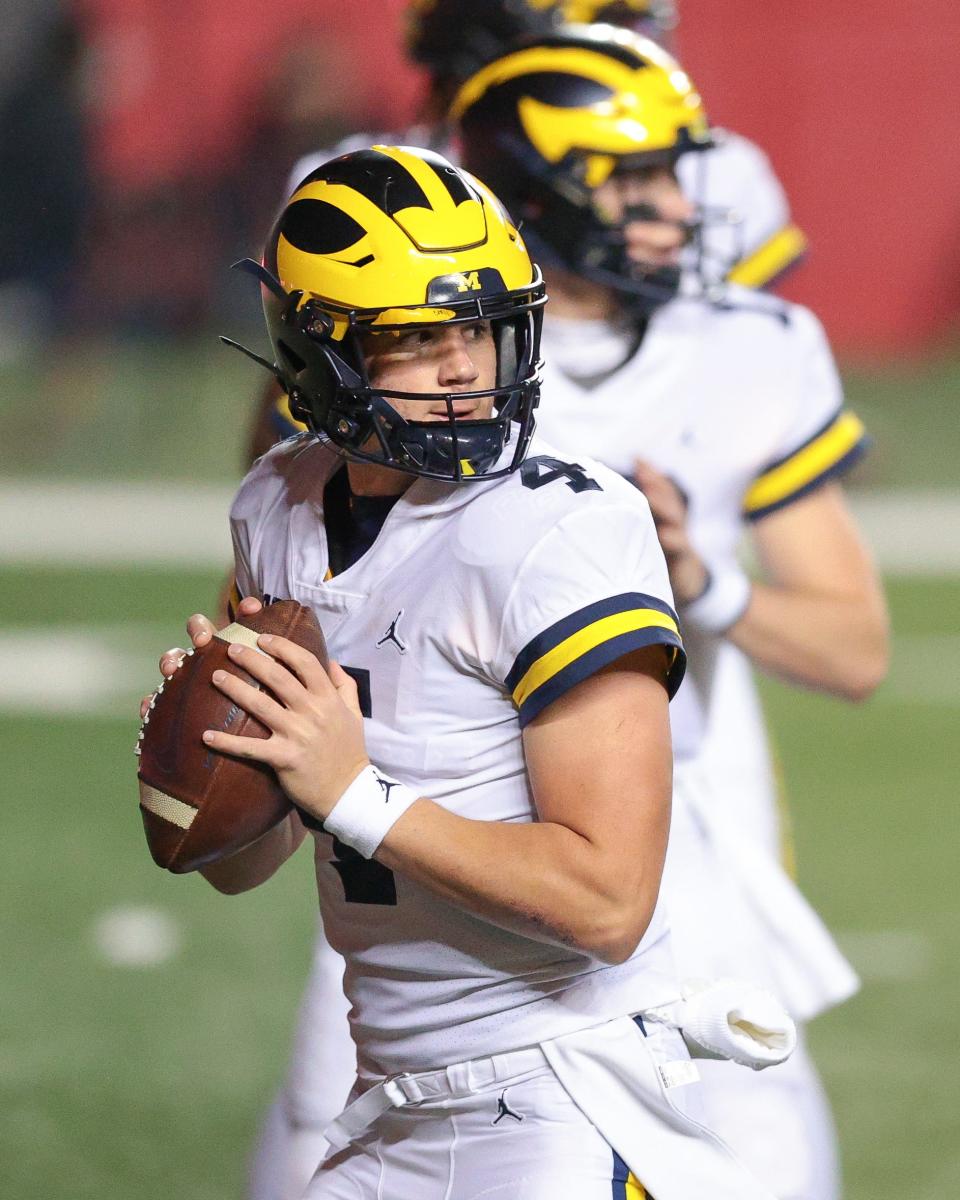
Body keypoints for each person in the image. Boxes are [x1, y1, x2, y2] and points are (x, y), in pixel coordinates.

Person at [164, 145, 780, 1200]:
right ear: (322, 354)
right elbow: (239, 864)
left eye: (480, 330)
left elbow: (607, 899)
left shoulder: (558, 527)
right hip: (388, 1101)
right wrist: (222, 763)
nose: (464, 368)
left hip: (561, 1106)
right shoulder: (276, 504)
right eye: (417, 339)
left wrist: (353, 792)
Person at [452, 26, 889, 1199]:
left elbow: (855, 650)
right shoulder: (439, 368)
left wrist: (706, 584)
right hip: (454, 841)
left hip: (674, 819)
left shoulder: (746, 351)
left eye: (666, 176)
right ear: (535, 188)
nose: (669, 208)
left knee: (763, 1150)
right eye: (630, 178)